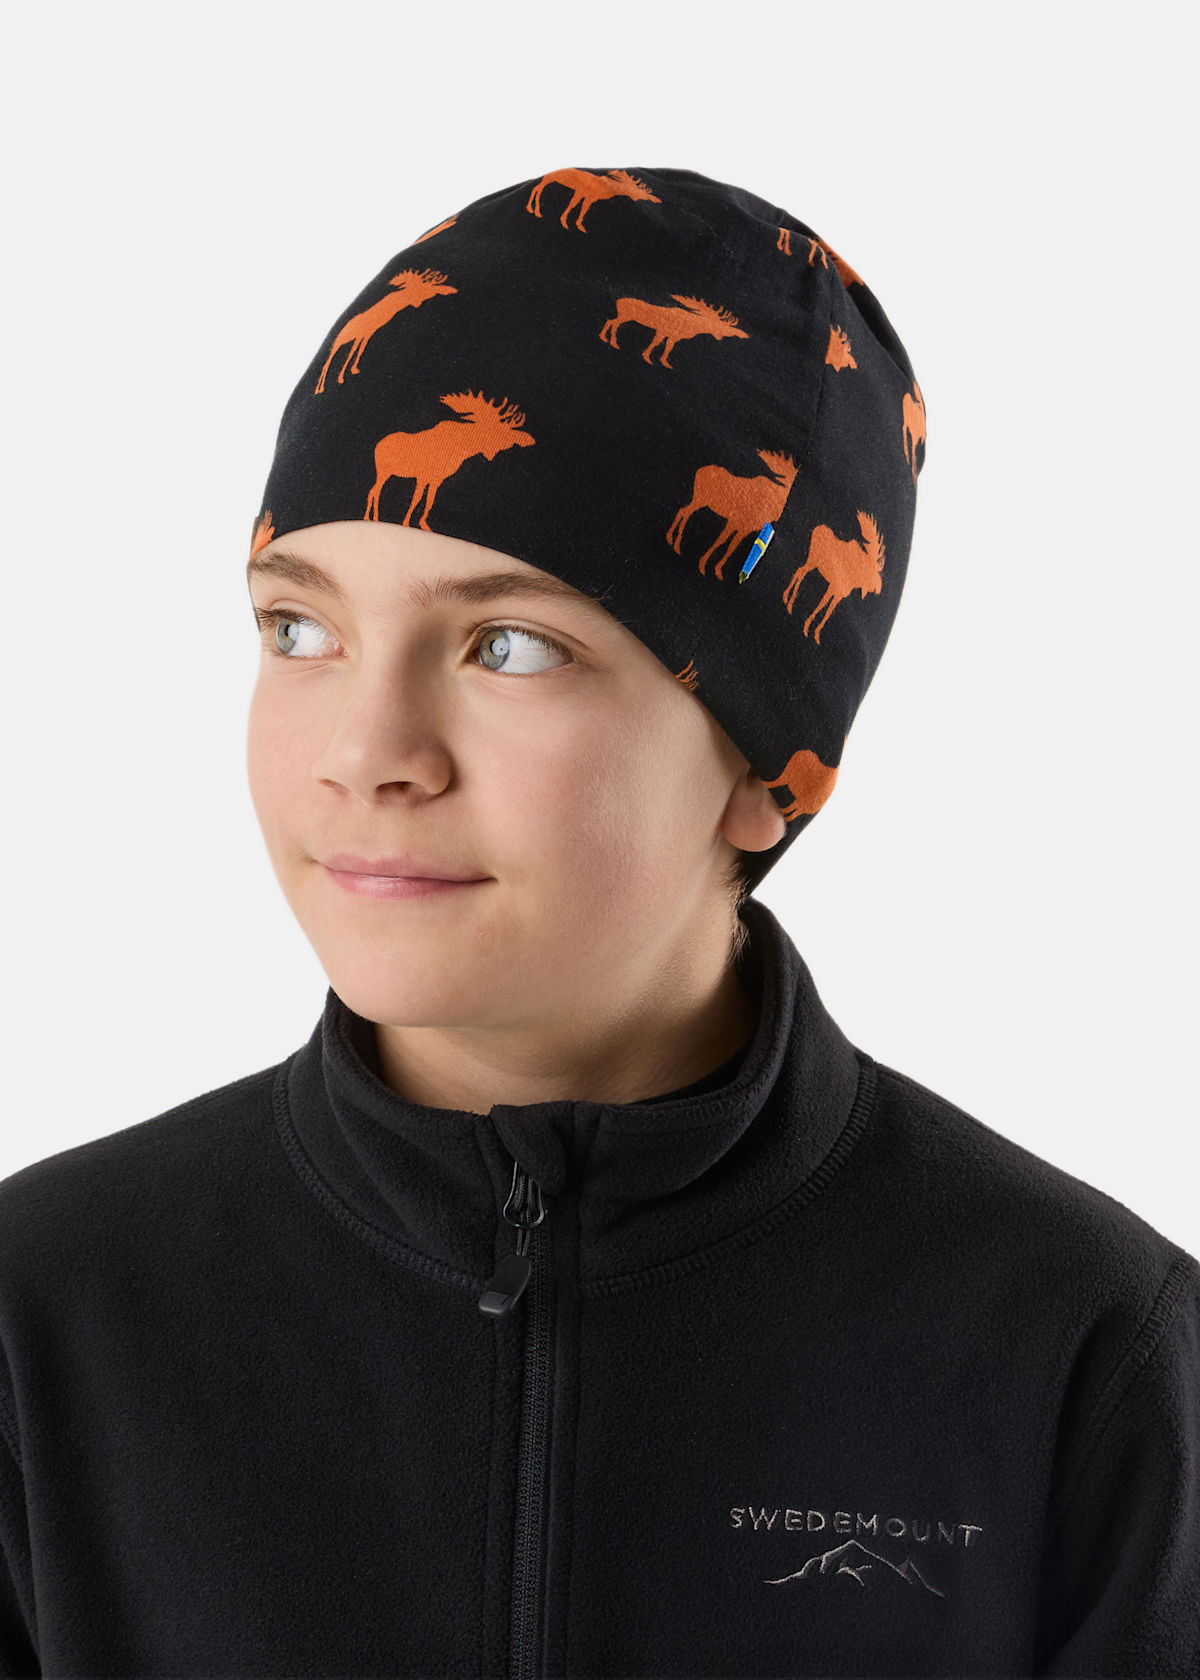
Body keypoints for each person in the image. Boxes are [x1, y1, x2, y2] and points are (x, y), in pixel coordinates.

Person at [0, 163, 1195, 1678]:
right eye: (300, 627)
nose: (365, 752)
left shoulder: (1086, 1354)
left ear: (767, 765)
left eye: (509, 646)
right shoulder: (44, 1322)